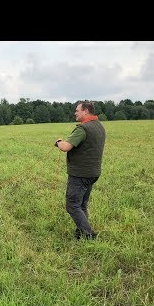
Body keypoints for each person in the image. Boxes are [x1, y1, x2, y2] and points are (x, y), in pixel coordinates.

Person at [54, 101, 106, 240]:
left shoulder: (83, 129)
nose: (75, 113)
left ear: (86, 111)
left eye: (77, 110)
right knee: (81, 205)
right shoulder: (99, 126)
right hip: (93, 173)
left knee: (72, 205)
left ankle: (89, 235)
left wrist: (58, 142)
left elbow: (65, 147)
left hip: (80, 174)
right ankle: (81, 233)